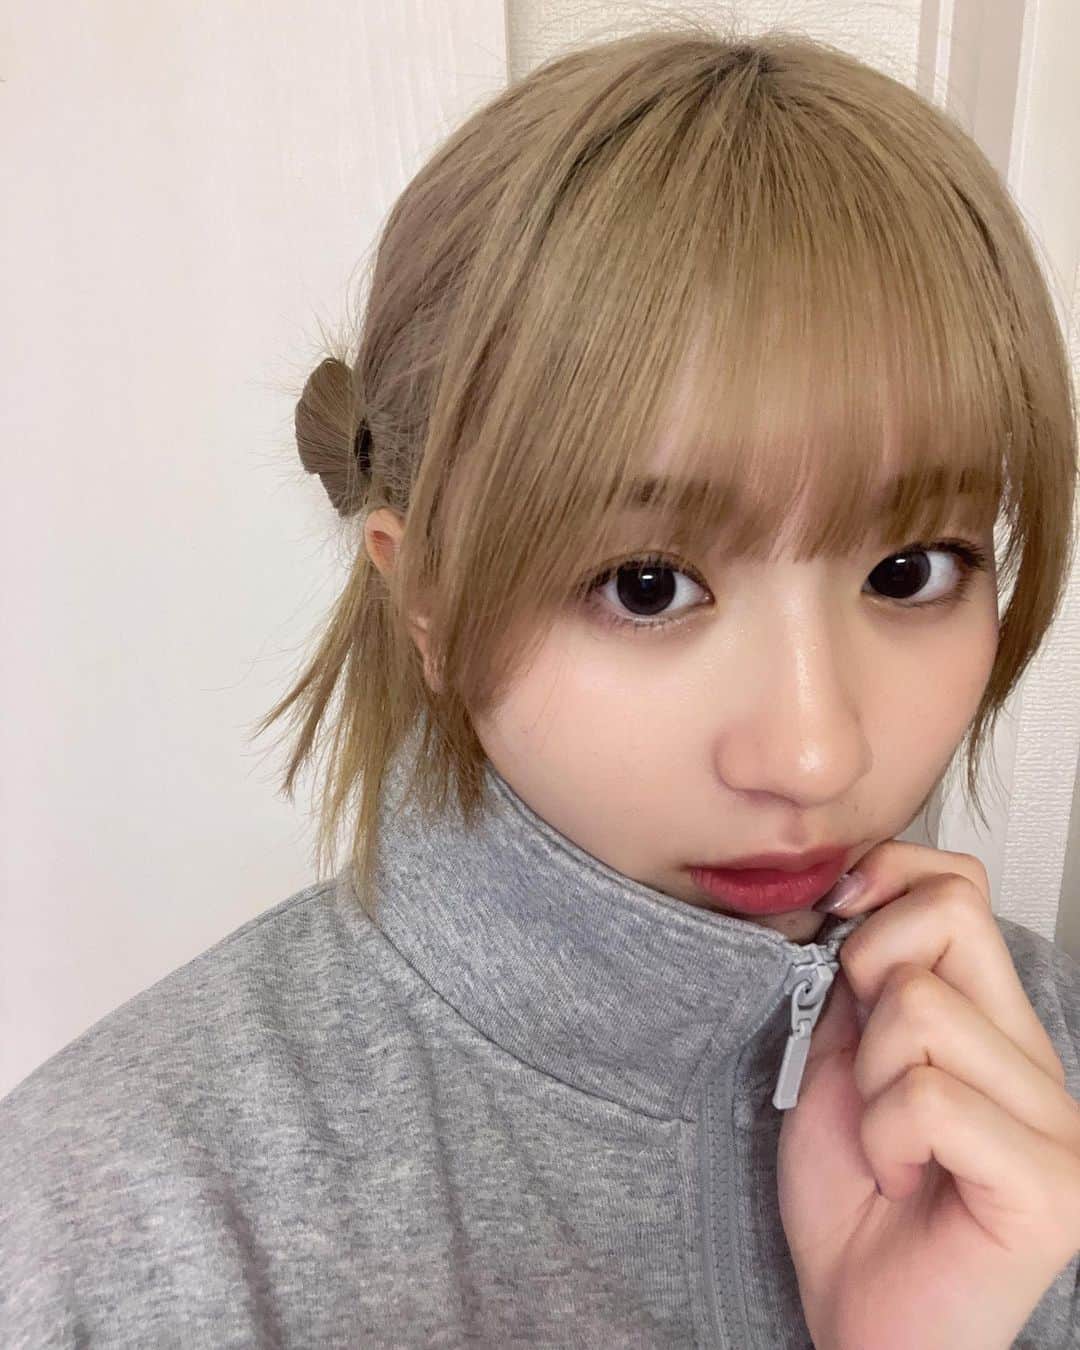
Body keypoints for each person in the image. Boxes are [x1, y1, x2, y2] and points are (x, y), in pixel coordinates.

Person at [3, 21, 1079, 1349]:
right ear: (424, 596)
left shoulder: (1048, 1064)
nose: (815, 754)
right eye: (647, 584)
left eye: (911, 569)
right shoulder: (108, 1220)